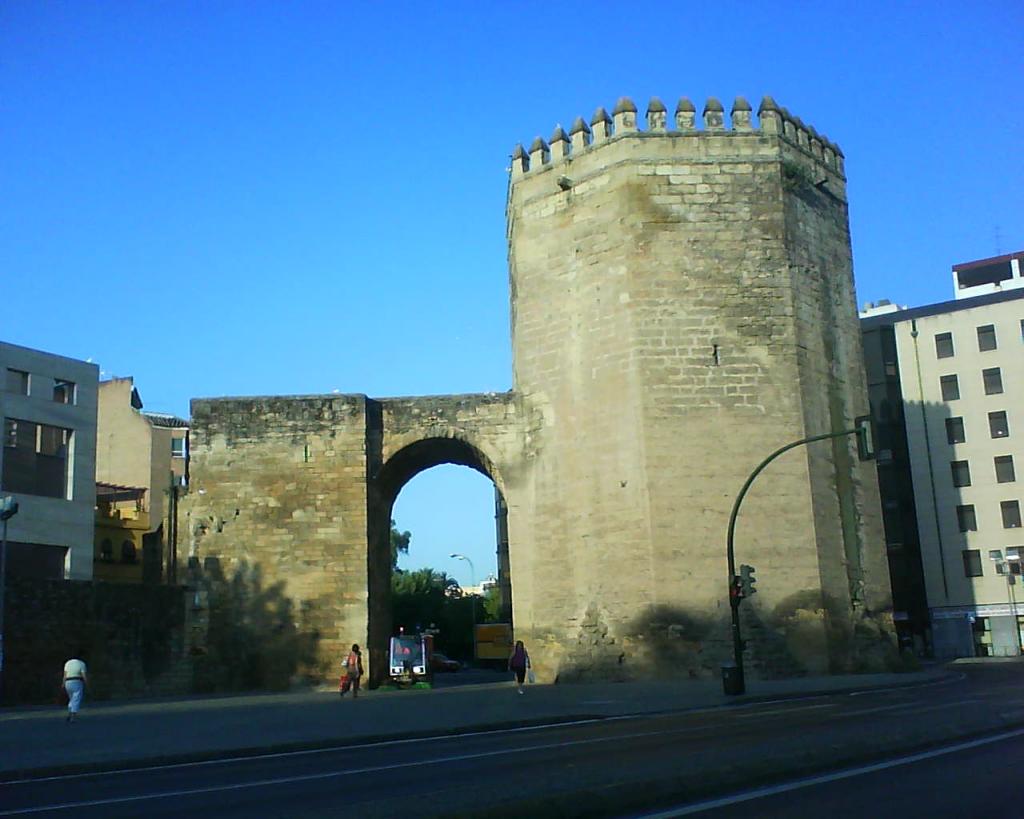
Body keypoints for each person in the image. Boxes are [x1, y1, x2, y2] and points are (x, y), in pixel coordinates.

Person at [62, 653, 88, 723]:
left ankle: (70, 712)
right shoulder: (81, 663)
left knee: (71, 698)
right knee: (76, 698)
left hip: (68, 681)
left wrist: (63, 683)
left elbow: (65, 674)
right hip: (77, 681)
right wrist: (86, 682)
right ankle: (73, 716)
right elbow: (83, 675)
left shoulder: (67, 663)